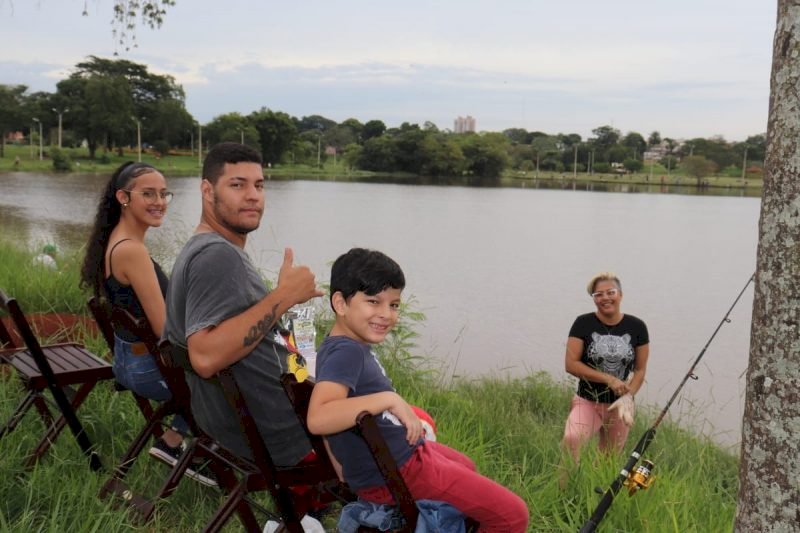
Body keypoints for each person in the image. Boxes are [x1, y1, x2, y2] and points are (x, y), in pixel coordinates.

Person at [161, 143, 326, 529]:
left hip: (236, 426)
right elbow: (204, 355)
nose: (253, 195)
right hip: (286, 439)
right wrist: (284, 296)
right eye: (237, 185)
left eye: (259, 184)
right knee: (413, 429)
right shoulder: (216, 257)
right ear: (207, 191)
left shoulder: (207, 249)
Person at [307, 248, 529, 533]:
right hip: (400, 470)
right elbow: (319, 417)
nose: (386, 314)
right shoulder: (346, 353)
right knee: (512, 515)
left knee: (465, 464)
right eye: (373, 301)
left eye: (394, 305)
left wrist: (342, 467)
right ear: (340, 302)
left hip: (396, 459)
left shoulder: (340, 345)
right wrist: (390, 399)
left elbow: (331, 415)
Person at [79, 161, 214, 486]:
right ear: (124, 197)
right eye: (148, 194)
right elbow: (164, 328)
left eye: (163, 193)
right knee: (227, 372)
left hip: (132, 361)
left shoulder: (116, 239)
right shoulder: (132, 251)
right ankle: (189, 448)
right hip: (149, 368)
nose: (159, 201)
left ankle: (177, 443)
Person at [561, 272, 650, 460]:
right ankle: (565, 489)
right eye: (598, 294)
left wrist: (628, 396)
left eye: (610, 292)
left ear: (620, 294)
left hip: (619, 406)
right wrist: (608, 378)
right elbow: (571, 364)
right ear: (593, 299)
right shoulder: (582, 323)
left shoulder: (637, 326)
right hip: (587, 401)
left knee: (608, 461)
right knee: (571, 439)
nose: (605, 298)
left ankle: (595, 489)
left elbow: (640, 370)